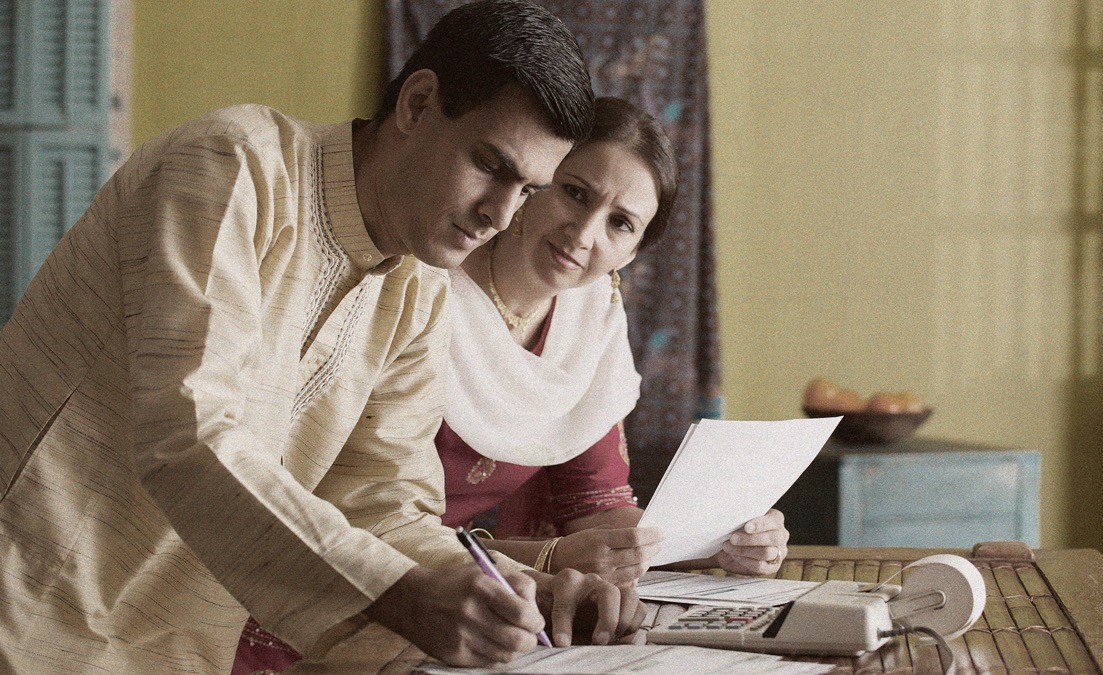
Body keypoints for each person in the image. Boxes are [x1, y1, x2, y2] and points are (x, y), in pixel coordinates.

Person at [0, 2, 641, 673]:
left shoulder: (418, 285)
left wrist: (518, 594)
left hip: (178, 652)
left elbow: (383, 504)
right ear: (418, 104)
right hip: (28, 616)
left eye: (528, 190)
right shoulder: (233, 169)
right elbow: (189, 435)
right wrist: (401, 593)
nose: (500, 215)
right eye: (490, 165)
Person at [435, 96, 791, 588]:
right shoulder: (425, 287)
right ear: (534, 181)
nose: (584, 234)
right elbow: (371, 520)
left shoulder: (590, 321)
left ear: (632, 252)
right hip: (379, 568)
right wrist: (547, 559)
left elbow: (596, 506)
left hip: (483, 584)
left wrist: (724, 541)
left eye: (620, 223)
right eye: (575, 193)